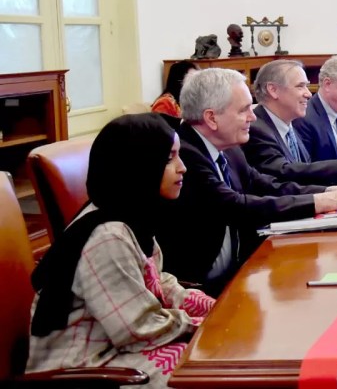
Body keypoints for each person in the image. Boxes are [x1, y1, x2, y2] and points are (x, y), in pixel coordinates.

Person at [26, 113, 214, 388]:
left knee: (215, 356)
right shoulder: (108, 236)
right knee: (209, 367)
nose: (182, 167)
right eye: (168, 159)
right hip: (85, 367)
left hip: (116, 349)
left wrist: (208, 306)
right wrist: (199, 324)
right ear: (138, 165)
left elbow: (156, 281)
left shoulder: (132, 214)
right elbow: (139, 327)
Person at [155, 68, 337, 294]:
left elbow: (267, 185)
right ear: (211, 118)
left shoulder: (228, 148)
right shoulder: (185, 154)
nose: (253, 117)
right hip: (197, 289)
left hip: (237, 273)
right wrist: (330, 200)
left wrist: (331, 192)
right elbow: (237, 206)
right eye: (244, 110)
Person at [242, 60, 337, 185]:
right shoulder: (255, 129)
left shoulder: (288, 125)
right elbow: (284, 175)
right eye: (300, 86)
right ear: (273, 90)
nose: (308, 93)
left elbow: (306, 171)